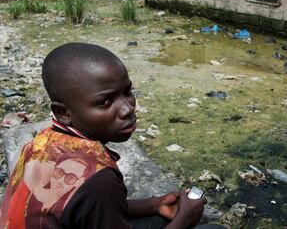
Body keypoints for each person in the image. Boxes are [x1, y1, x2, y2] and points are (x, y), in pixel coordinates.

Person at [0, 43, 211, 229]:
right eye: (105, 102)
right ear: (63, 112)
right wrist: (183, 218)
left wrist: (154, 204)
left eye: (127, 91)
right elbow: (95, 198)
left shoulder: (41, 143)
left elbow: (85, 208)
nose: (128, 108)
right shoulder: (98, 179)